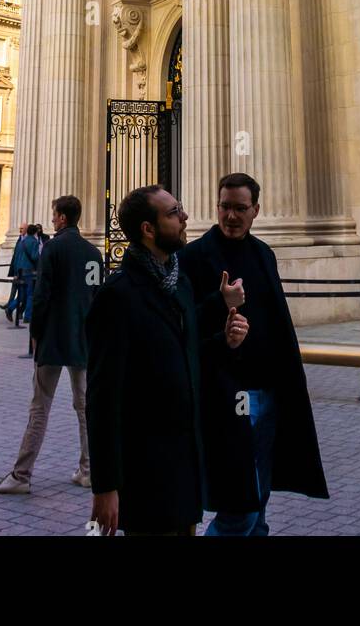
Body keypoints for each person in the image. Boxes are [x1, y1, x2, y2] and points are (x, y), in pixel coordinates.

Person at [86, 185, 247, 536]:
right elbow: (101, 398)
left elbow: (185, 351)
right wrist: (106, 486)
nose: (186, 216)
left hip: (184, 463)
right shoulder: (117, 296)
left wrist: (225, 339)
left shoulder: (180, 283)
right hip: (146, 472)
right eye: (174, 212)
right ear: (148, 229)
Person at [179, 172, 329, 536]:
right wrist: (220, 307)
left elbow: (277, 324)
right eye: (225, 207)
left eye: (240, 208)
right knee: (240, 506)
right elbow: (181, 327)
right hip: (227, 395)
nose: (231, 216)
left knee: (258, 499)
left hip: (269, 392)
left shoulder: (264, 254)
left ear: (256, 210)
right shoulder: (194, 257)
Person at [0, 195, 104, 495]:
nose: (52, 220)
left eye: (55, 215)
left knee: (40, 408)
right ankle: (89, 470)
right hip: (82, 341)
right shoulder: (93, 254)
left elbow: (41, 298)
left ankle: (21, 474)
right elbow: (95, 297)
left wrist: (35, 332)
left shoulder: (52, 250)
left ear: (63, 218)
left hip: (53, 339)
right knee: (85, 407)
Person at [4, 224, 38, 323]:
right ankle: (27, 316)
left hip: (19, 272)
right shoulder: (34, 242)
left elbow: (15, 258)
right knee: (30, 294)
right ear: (35, 232)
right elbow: (35, 257)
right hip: (29, 272)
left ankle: (10, 308)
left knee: (21, 295)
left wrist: (15, 272)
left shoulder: (21, 243)